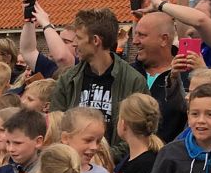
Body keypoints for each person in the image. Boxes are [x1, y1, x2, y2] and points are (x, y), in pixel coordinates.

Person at [48, 8, 148, 159]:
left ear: (95, 40)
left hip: (116, 170)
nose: (75, 44)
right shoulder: (68, 79)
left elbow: (140, 134)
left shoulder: (133, 81)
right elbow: (56, 127)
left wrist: (104, 157)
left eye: (79, 38)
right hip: (73, 166)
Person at [129, 11, 185, 142]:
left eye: (142, 35)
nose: (135, 41)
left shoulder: (185, 76)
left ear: (164, 39)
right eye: (135, 34)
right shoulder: (127, 73)